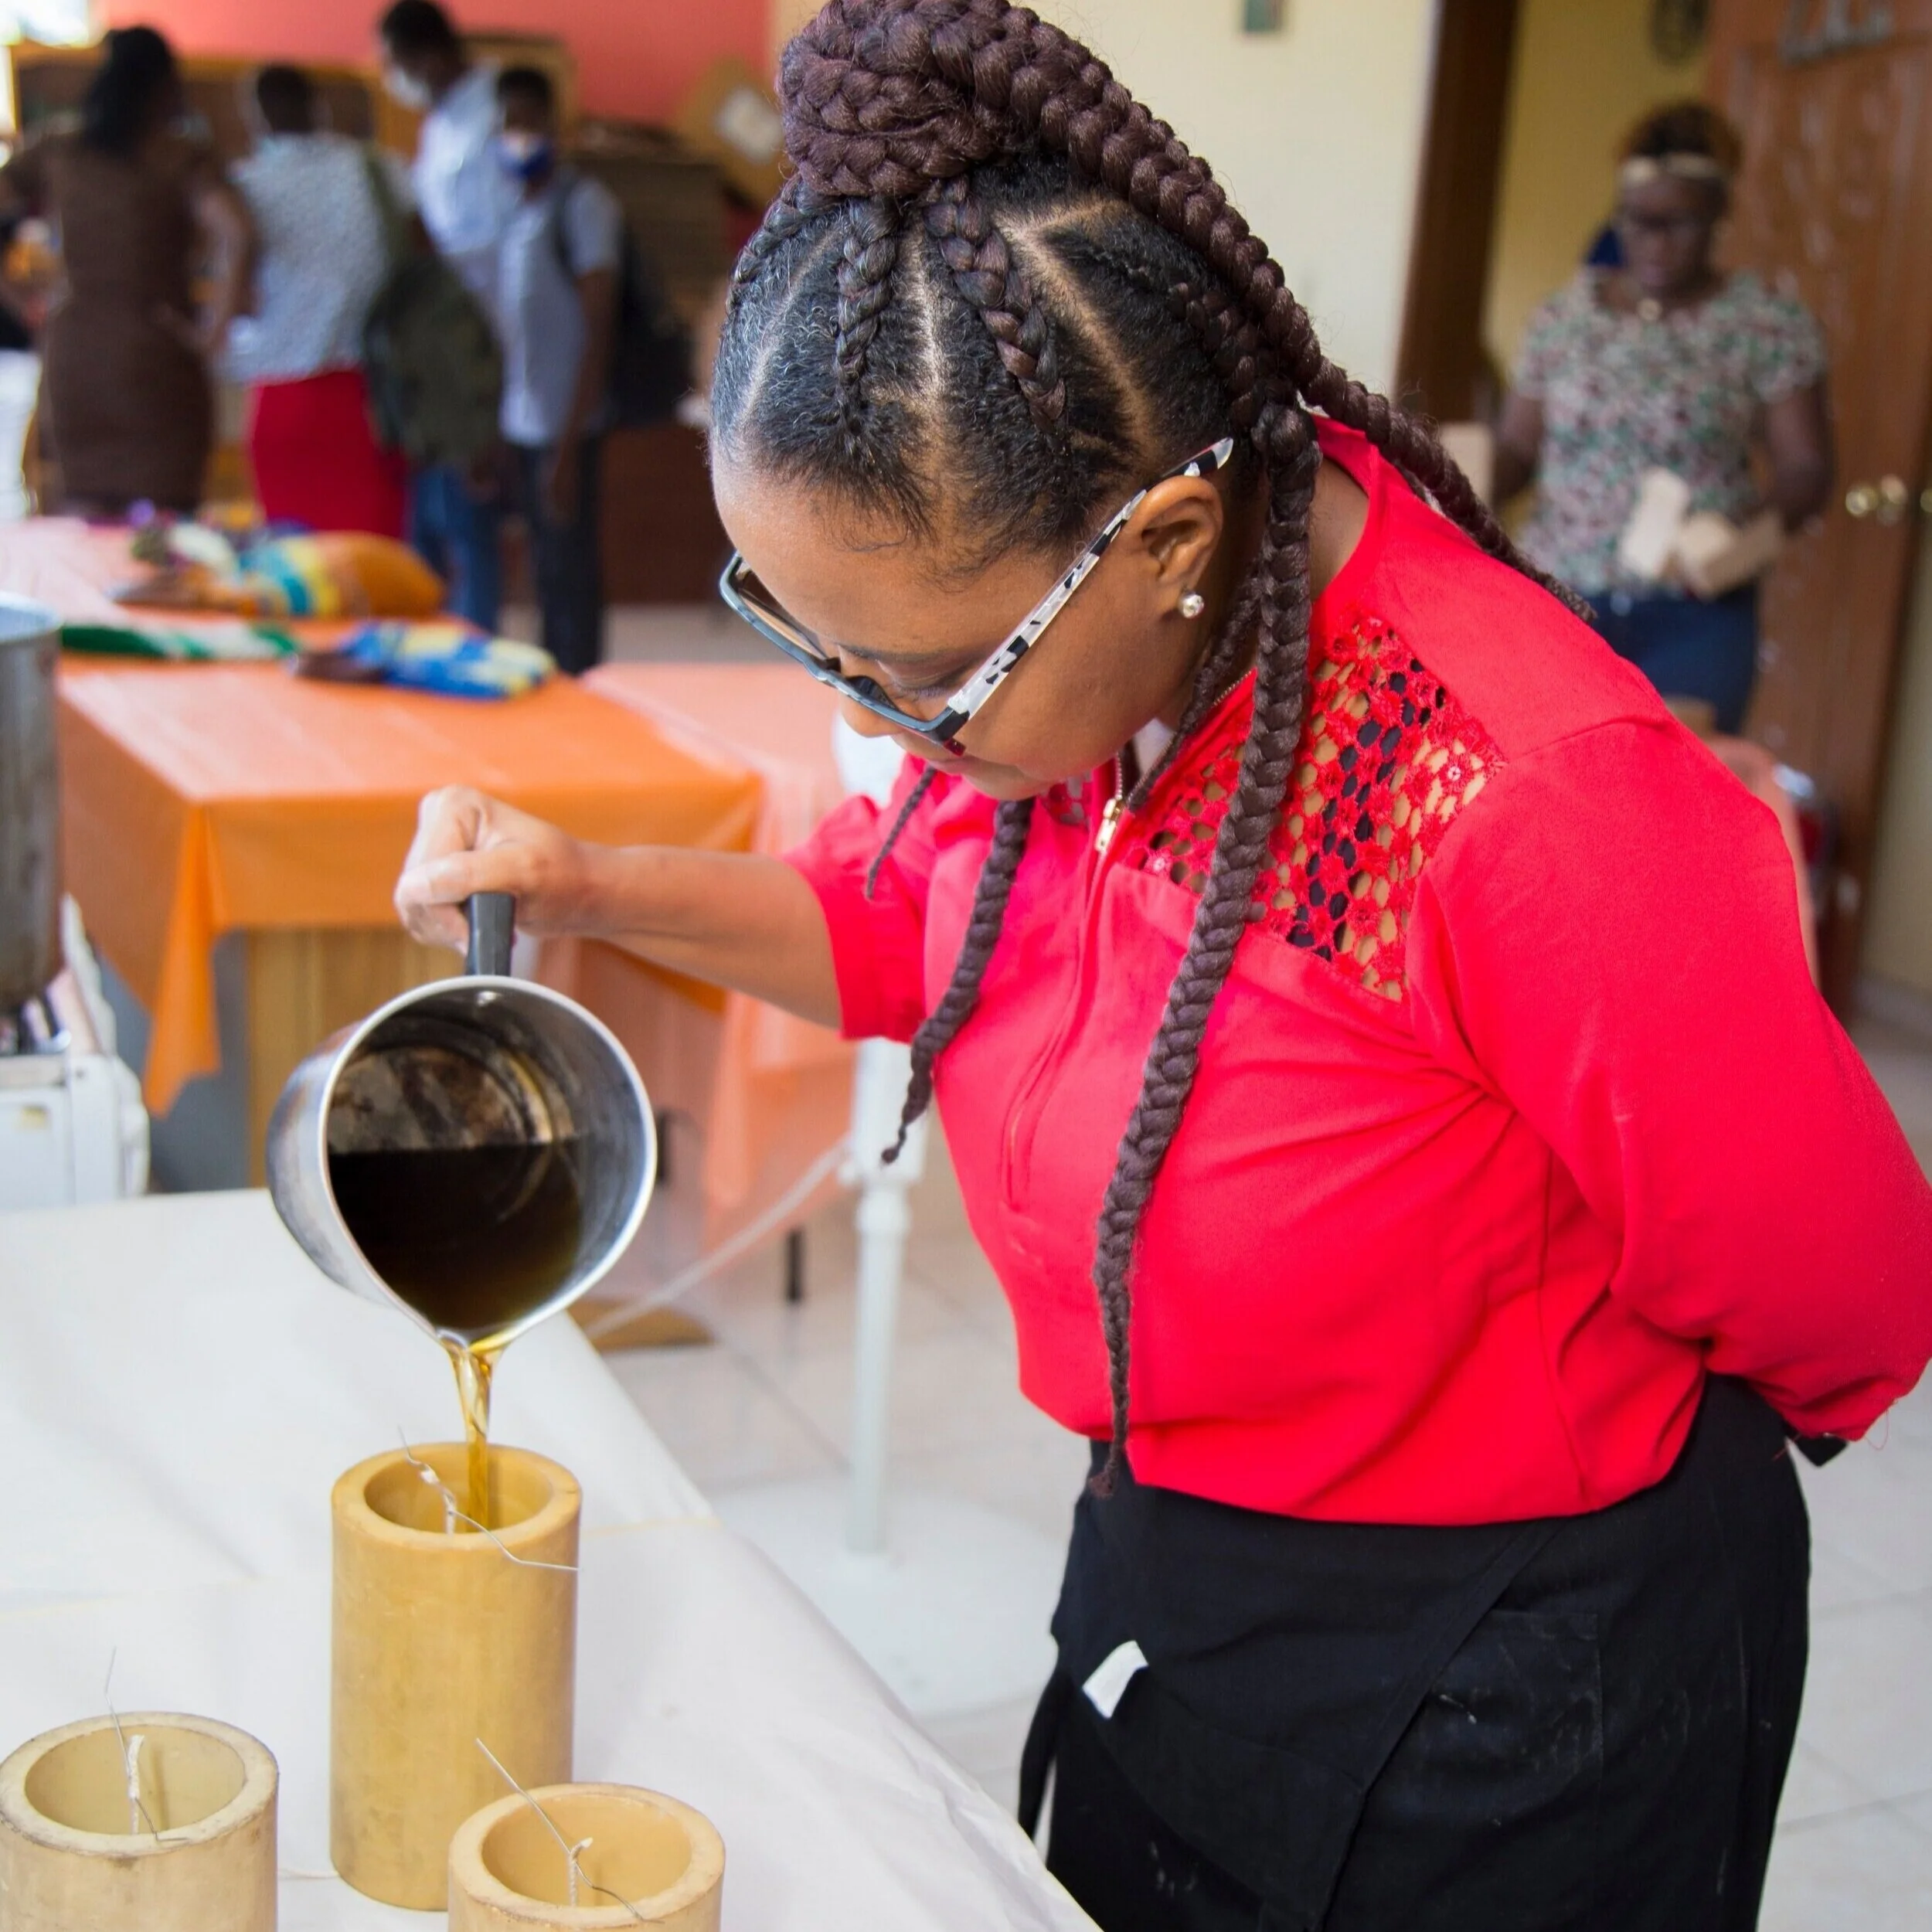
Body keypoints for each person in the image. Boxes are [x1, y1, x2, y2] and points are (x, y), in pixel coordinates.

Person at [396, 5, 1932, 1927]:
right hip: (1181, 1549)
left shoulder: (1519, 797)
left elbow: (1840, 1279)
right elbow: (906, 928)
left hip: (1509, 1667)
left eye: (920, 680)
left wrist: (1491, 1400)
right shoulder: (1065, 690)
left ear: (1170, 538)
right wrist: (582, 883)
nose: (886, 727)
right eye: (815, 650)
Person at [1494, 102, 1833, 733]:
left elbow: (1807, 469)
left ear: (1717, 216)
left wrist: (1745, 541)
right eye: (1635, 220)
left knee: (1665, 802)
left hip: (1694, 615)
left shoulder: (1765, 325)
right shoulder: (1564, 320)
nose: (1650, 241)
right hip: (1561, 601)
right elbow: (1517, 450)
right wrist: (1453, 473)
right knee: (1553, 784)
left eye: (1675, 223)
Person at [0, 26, 250, 516]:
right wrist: (214, 329)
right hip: (157, 349)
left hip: (77, 352)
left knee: (85, 523)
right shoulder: (180, 154)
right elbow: (237, 235)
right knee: (167, 536)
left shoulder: (59, 149)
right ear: (165, 83)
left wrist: (22, 301)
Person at [225, 64, 410, 536]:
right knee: (376, 563)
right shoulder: (379, 171)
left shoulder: (247, 185)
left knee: (295, 568)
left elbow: (235, 282)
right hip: (370, 396)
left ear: (256, 118)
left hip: (281, 393)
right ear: (319, 107)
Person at [377, 0, 512, 627]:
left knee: (469, 509)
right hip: (440, 330)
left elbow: (497, 238)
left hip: (482, 329)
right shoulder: (439, 125)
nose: (395, 77)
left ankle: (476, 641)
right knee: (434, 507)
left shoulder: (493, 113)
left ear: (429, 56)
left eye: (398, 63)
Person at [491, 66, 620, 675]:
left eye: (529, 122)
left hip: (568, 424)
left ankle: (582, 684)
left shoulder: (582, 205)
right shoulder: (516, 210)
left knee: (571, 571)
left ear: (553, 127)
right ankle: (551, 677)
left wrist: (568, 445)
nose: (518, 135)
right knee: (544, 567)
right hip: (523, 421)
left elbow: (596, 329)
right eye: (508, 124)